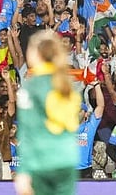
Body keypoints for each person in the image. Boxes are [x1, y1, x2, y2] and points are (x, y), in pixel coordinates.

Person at [13, 30, 81, 195]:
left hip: (41, 162)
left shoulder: (30, 87)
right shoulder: (67, 84)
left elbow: (28, 130)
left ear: (35, 54)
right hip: (66, 160)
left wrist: (24, 170)